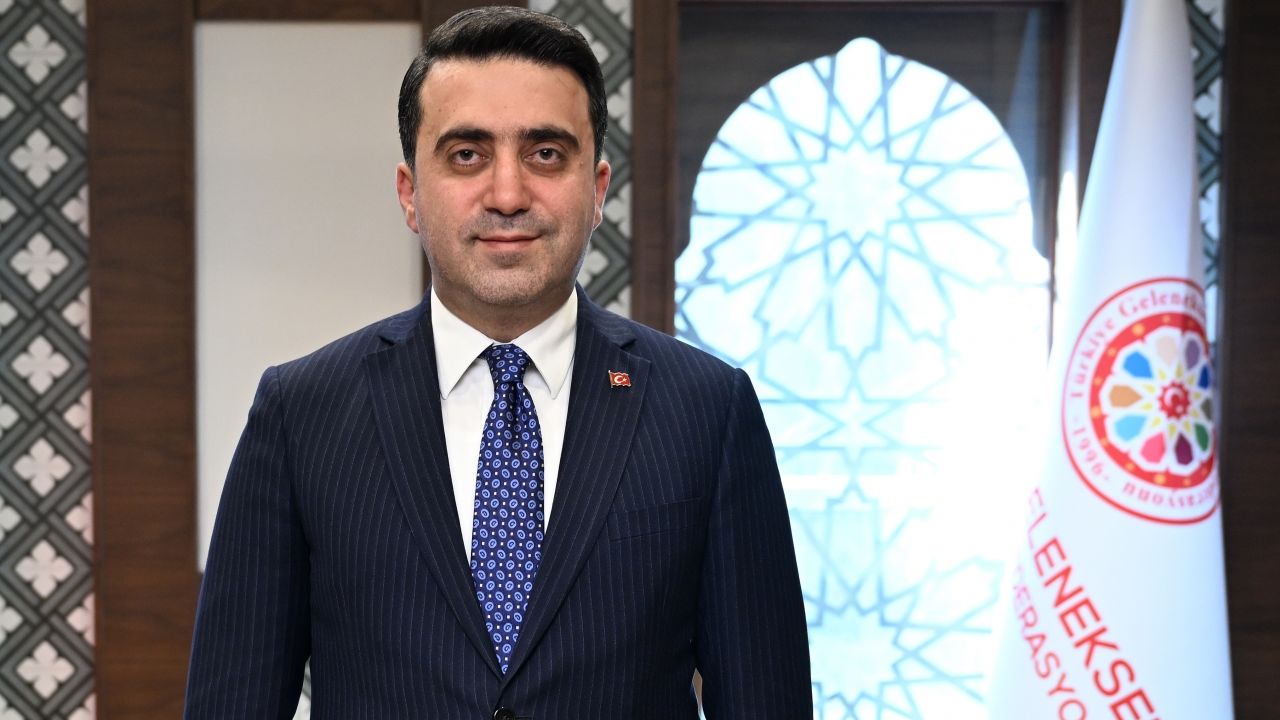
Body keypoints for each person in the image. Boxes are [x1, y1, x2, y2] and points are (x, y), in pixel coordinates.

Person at [183, 7, 810, 719]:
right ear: (410, 193)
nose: (508, 195)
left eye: (545, 154)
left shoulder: (707, 410)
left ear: (597, 189)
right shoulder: (302, 414)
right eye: (466, 155)